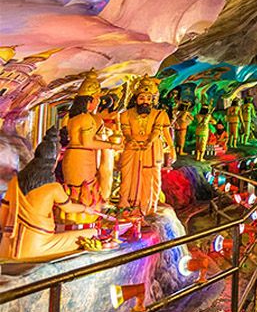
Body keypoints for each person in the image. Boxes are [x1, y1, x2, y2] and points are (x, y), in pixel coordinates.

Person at [1, 128, 101, 260]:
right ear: (55, 160)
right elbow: (69, 208)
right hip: (37, 246)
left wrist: (7, 232)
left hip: (6, 246)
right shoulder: (53, 188)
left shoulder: (15, 181)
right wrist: (86, 209)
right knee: (92, 233)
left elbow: (3, 215)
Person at [61, 71, 118, 216]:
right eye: (97, 98)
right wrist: (112, 146)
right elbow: (87, 142)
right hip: (81, 157)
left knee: (75, 190)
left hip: (74, 154)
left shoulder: (72, 117)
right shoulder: (85, 118)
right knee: (83, 190)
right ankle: (82, 222)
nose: (98, 102)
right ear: (89, 100)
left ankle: (71, 219)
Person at [119, 76, 175, 216]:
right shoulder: (126, 114)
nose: (145, 102)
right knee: (127, 176)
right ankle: (126, 204)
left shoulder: (160, 114)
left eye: (148, 99)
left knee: (152, 177)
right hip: (132, 148)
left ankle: (149, 207)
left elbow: (161, 131)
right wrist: (131, 140)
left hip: (152, 149)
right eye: (142, 98)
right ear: (136, 98)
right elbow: (126, 131)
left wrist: (171, 148)